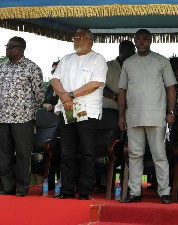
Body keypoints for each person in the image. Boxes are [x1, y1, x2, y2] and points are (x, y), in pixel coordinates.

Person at [118, 29, 176, 204]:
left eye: (144, 39)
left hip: (157, 115)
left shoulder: (161, 61)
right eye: (138, 39)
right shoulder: (128, 63)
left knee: (159, 155)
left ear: (150, 41)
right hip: (134, 115)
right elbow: (122, 91)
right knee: (135, 155)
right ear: (134, 41)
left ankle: (164, 192)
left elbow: (170, 89)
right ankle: (135, 192)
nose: (141, 42)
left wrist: (170, 112)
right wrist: (121, 115)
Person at [51, 29, 107, 200]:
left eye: (80, 39)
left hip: (87, 111)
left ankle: (84, 191)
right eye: (75, 38)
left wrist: (71, 95)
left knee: (87, 152)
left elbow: (96, 83)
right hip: (67, 110)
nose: (76, 41)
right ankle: (67, 190)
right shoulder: (66, 59)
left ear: (90, 41)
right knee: (67, 151)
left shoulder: (98, 59)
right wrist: (64, 96)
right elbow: (55, 79)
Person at [0, 36, 44, 197]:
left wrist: (29, 110)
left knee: (23, 154)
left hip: (23, 118)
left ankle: (22, 187)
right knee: (4, 155)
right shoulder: (2, 67)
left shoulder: (32, 68)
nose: (8, 49)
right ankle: (7, 187)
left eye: (12, 46)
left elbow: (39, 95)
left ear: (21, 49)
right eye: (7, 46)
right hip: (3, 118)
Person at [95, 40, 135, 193]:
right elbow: (99, 85)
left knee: (128, 149)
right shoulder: (108, 66)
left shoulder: (135, 66)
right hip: (109, 111)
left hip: (130, 113)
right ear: (121, 51)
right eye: (128, 52)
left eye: (133, 52)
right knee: (108, 146)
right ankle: (105, 183)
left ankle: (128, 184)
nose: (131, 55)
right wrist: (114, 96)